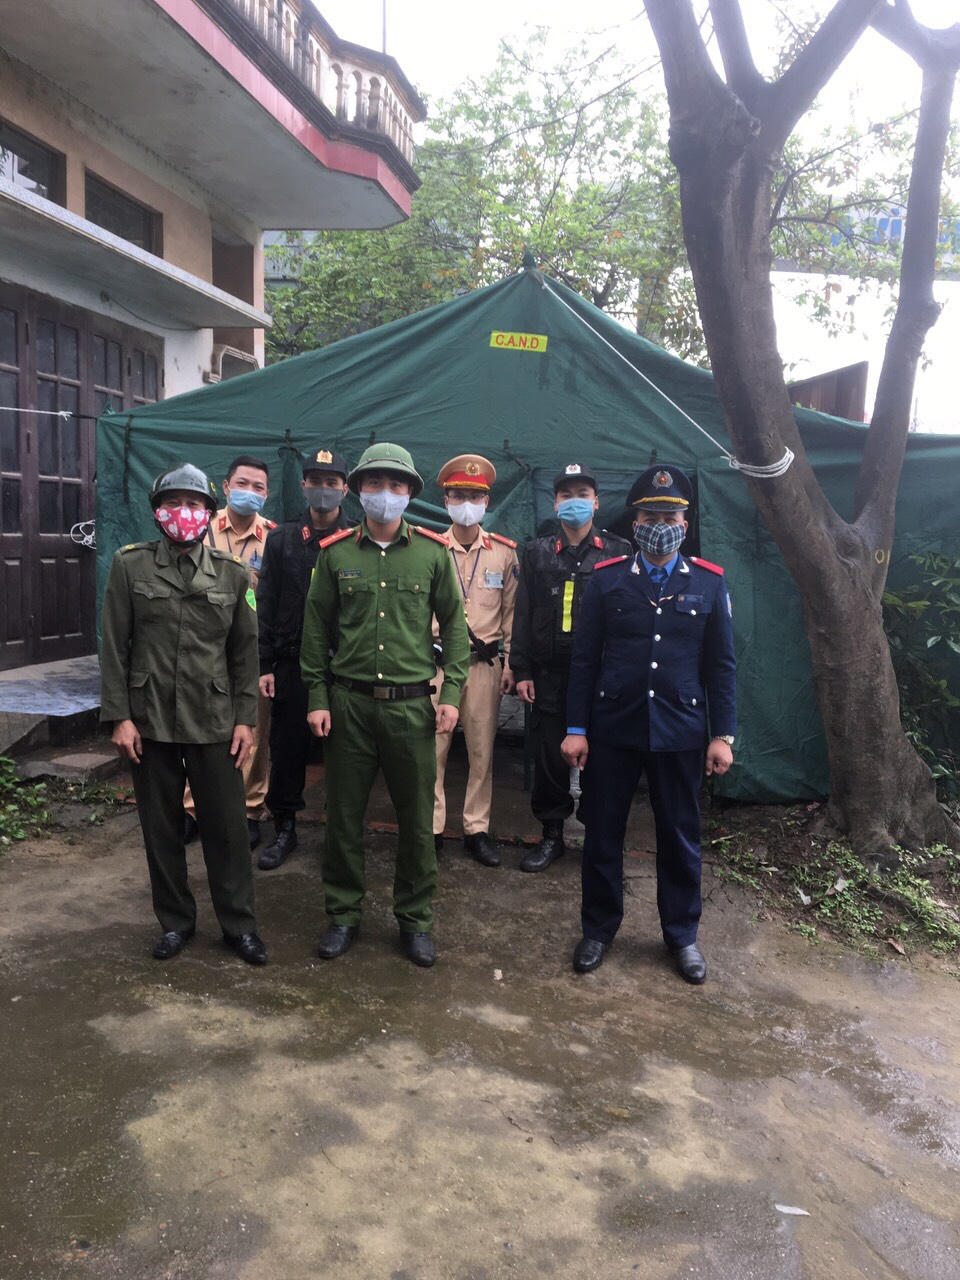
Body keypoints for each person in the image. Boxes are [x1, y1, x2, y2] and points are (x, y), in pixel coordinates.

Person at [563, 464, 736, 984]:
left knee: (680, 835)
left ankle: (682, 936)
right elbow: (584, 660)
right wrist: (576, 728)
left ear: (685, 525)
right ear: (634, 523)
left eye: (670, 517)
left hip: (680, 731)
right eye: (650, 517)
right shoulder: (607, 578)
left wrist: (722, 735)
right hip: (613, 728)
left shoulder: (708, 582)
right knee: (602, 832)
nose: (660, 525)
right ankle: (598, 930)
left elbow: (721, 666)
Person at [300, 443, 470, 968]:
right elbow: (315, 628)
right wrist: (317, 696)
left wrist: (452, 693)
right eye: (374, 483)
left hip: (411, 709)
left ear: (410, 494)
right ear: (358, 490)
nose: (385, 494)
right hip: (349, 706)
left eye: (396, 485)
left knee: (417, 822)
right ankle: (343, 914)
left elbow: (456, 627)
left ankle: (415, 920)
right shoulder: (335, 554)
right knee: (343, 818)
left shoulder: (433, 554)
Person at [100, 463, 267, 965]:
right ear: (157, 512)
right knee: (162, 829)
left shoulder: (233, 574)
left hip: (214, 721)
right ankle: (175, 922)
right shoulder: (129, 566)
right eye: (173, 503)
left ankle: (238, 925)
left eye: (194, 504)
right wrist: (119, 717)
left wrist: (246, 719)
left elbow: (245, 654)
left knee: (228, 830)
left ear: (209, 513)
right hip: (149, 720)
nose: (184, 512)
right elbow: (114, 646)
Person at [509, 463, 631, 873]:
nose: (574, 501)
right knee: (550, 759)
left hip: (602, 678)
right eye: (566, 495)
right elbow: (523, 612)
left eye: (582, 494)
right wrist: (522, 669)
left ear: (596, 503)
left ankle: (598, 836)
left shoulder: (618, 552)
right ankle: (552, 835)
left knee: (603, 759)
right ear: (555, 503)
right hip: (549, 675)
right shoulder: (537, 552)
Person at [256, 448, 353, 870]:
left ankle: (341, 833)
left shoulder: (357, 540)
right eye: (316, 481)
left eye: (332, 483)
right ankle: (285, 828)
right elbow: (266, 602)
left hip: (345, 665)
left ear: (345, 490)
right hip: (292, 662)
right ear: (303, 486)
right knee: (288, 747)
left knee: (346, 752)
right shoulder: (282, 539)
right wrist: (265, 664)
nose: (323, 490)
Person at [183, 455, 275, 851]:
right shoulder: (199, 530)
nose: (249, 492)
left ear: (267, 494)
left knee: (252, 731)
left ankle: (250, 810)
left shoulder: (273, 539)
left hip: (251, 651)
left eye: (258, 487)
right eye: (242, 484)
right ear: (225, 487)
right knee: (197, 730)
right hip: (202, 649)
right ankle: (192, 810)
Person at [432, 454, 519, 867]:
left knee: (482, 752)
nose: (466, 503)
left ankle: (476, 829)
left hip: (484, 665)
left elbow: (511, 615)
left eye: (474, 496)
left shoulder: (503, 553)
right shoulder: (431, 549)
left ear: (486, 502)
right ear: (446, 499)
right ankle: (431, 829)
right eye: (458, 495)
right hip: (436, 666)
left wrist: (511, 663)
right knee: (432, 750)